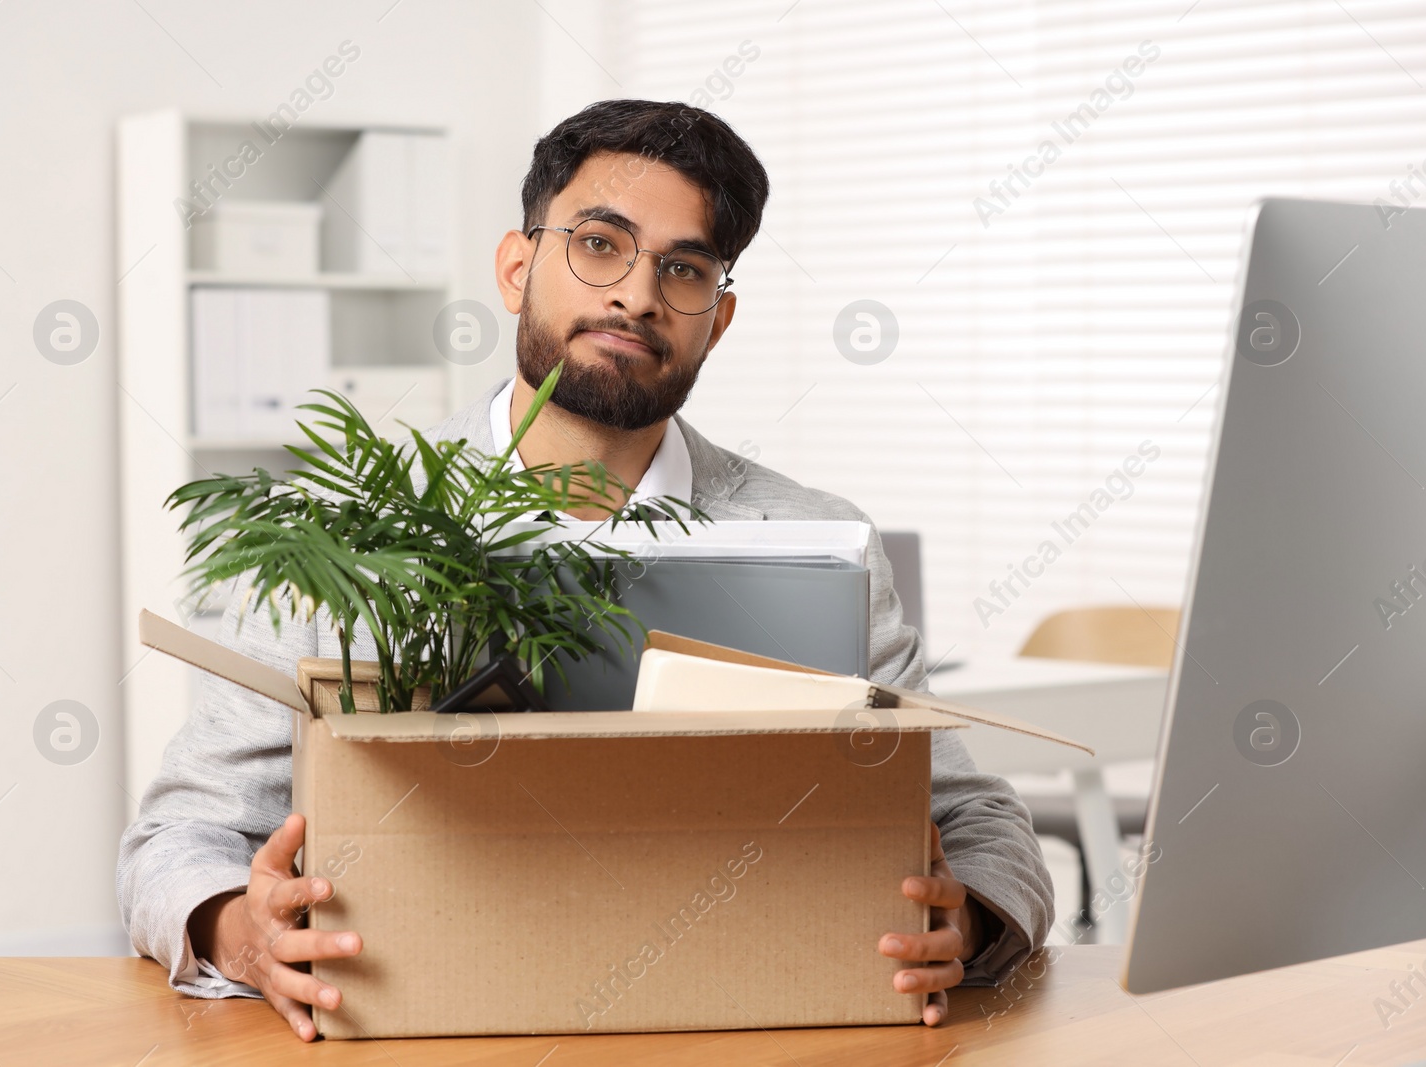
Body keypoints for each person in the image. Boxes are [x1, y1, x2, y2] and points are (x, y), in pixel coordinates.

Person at [117, 98, 1052, 1042]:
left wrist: (962, 918)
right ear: (518, 267)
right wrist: (241, 931)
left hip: (757, 1023)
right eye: (601, 244)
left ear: (717, 321)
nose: (638, 296)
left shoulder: (816, 537)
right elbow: (178, 838)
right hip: (417, 1024)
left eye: (682, 269)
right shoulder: (353, 532)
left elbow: (977, 819)